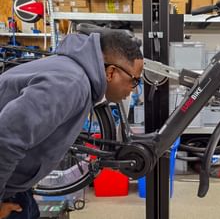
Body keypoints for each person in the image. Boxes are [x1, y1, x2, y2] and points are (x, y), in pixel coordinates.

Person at [0, 26, 144, 219]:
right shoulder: (71, 83)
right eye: (134, 80)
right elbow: (6, 138)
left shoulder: (75, 75)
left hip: (15, 186)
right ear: (111, 72)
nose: (133, 90)